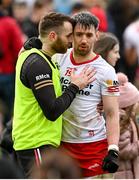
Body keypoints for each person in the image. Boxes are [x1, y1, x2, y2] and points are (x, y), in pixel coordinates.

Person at [23, 12, 120, 178]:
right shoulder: (58, 58)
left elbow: (112, 113)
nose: (83, 40)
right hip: (62, 145)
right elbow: (27, 63)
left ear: (97, 35)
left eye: (89, 35)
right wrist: (30, 45)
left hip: (94, 147)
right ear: (70, 36)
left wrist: (113, 149)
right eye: (79, 34)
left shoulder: (106, 71)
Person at [12, 12, 96, 178]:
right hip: (35, 141)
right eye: (68, 36)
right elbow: (52, 110)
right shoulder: (38, 64)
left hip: (40, 141)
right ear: (52, 36)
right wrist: (75, 86)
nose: (71, 41)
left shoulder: (43, 58)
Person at [114, 72, 139, 179]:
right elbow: (123, 150)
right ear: (128, 104)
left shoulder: (128, 119)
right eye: (136, 102)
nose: (137, 104)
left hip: (127, 171)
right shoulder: (120, 120)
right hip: (123, 174)